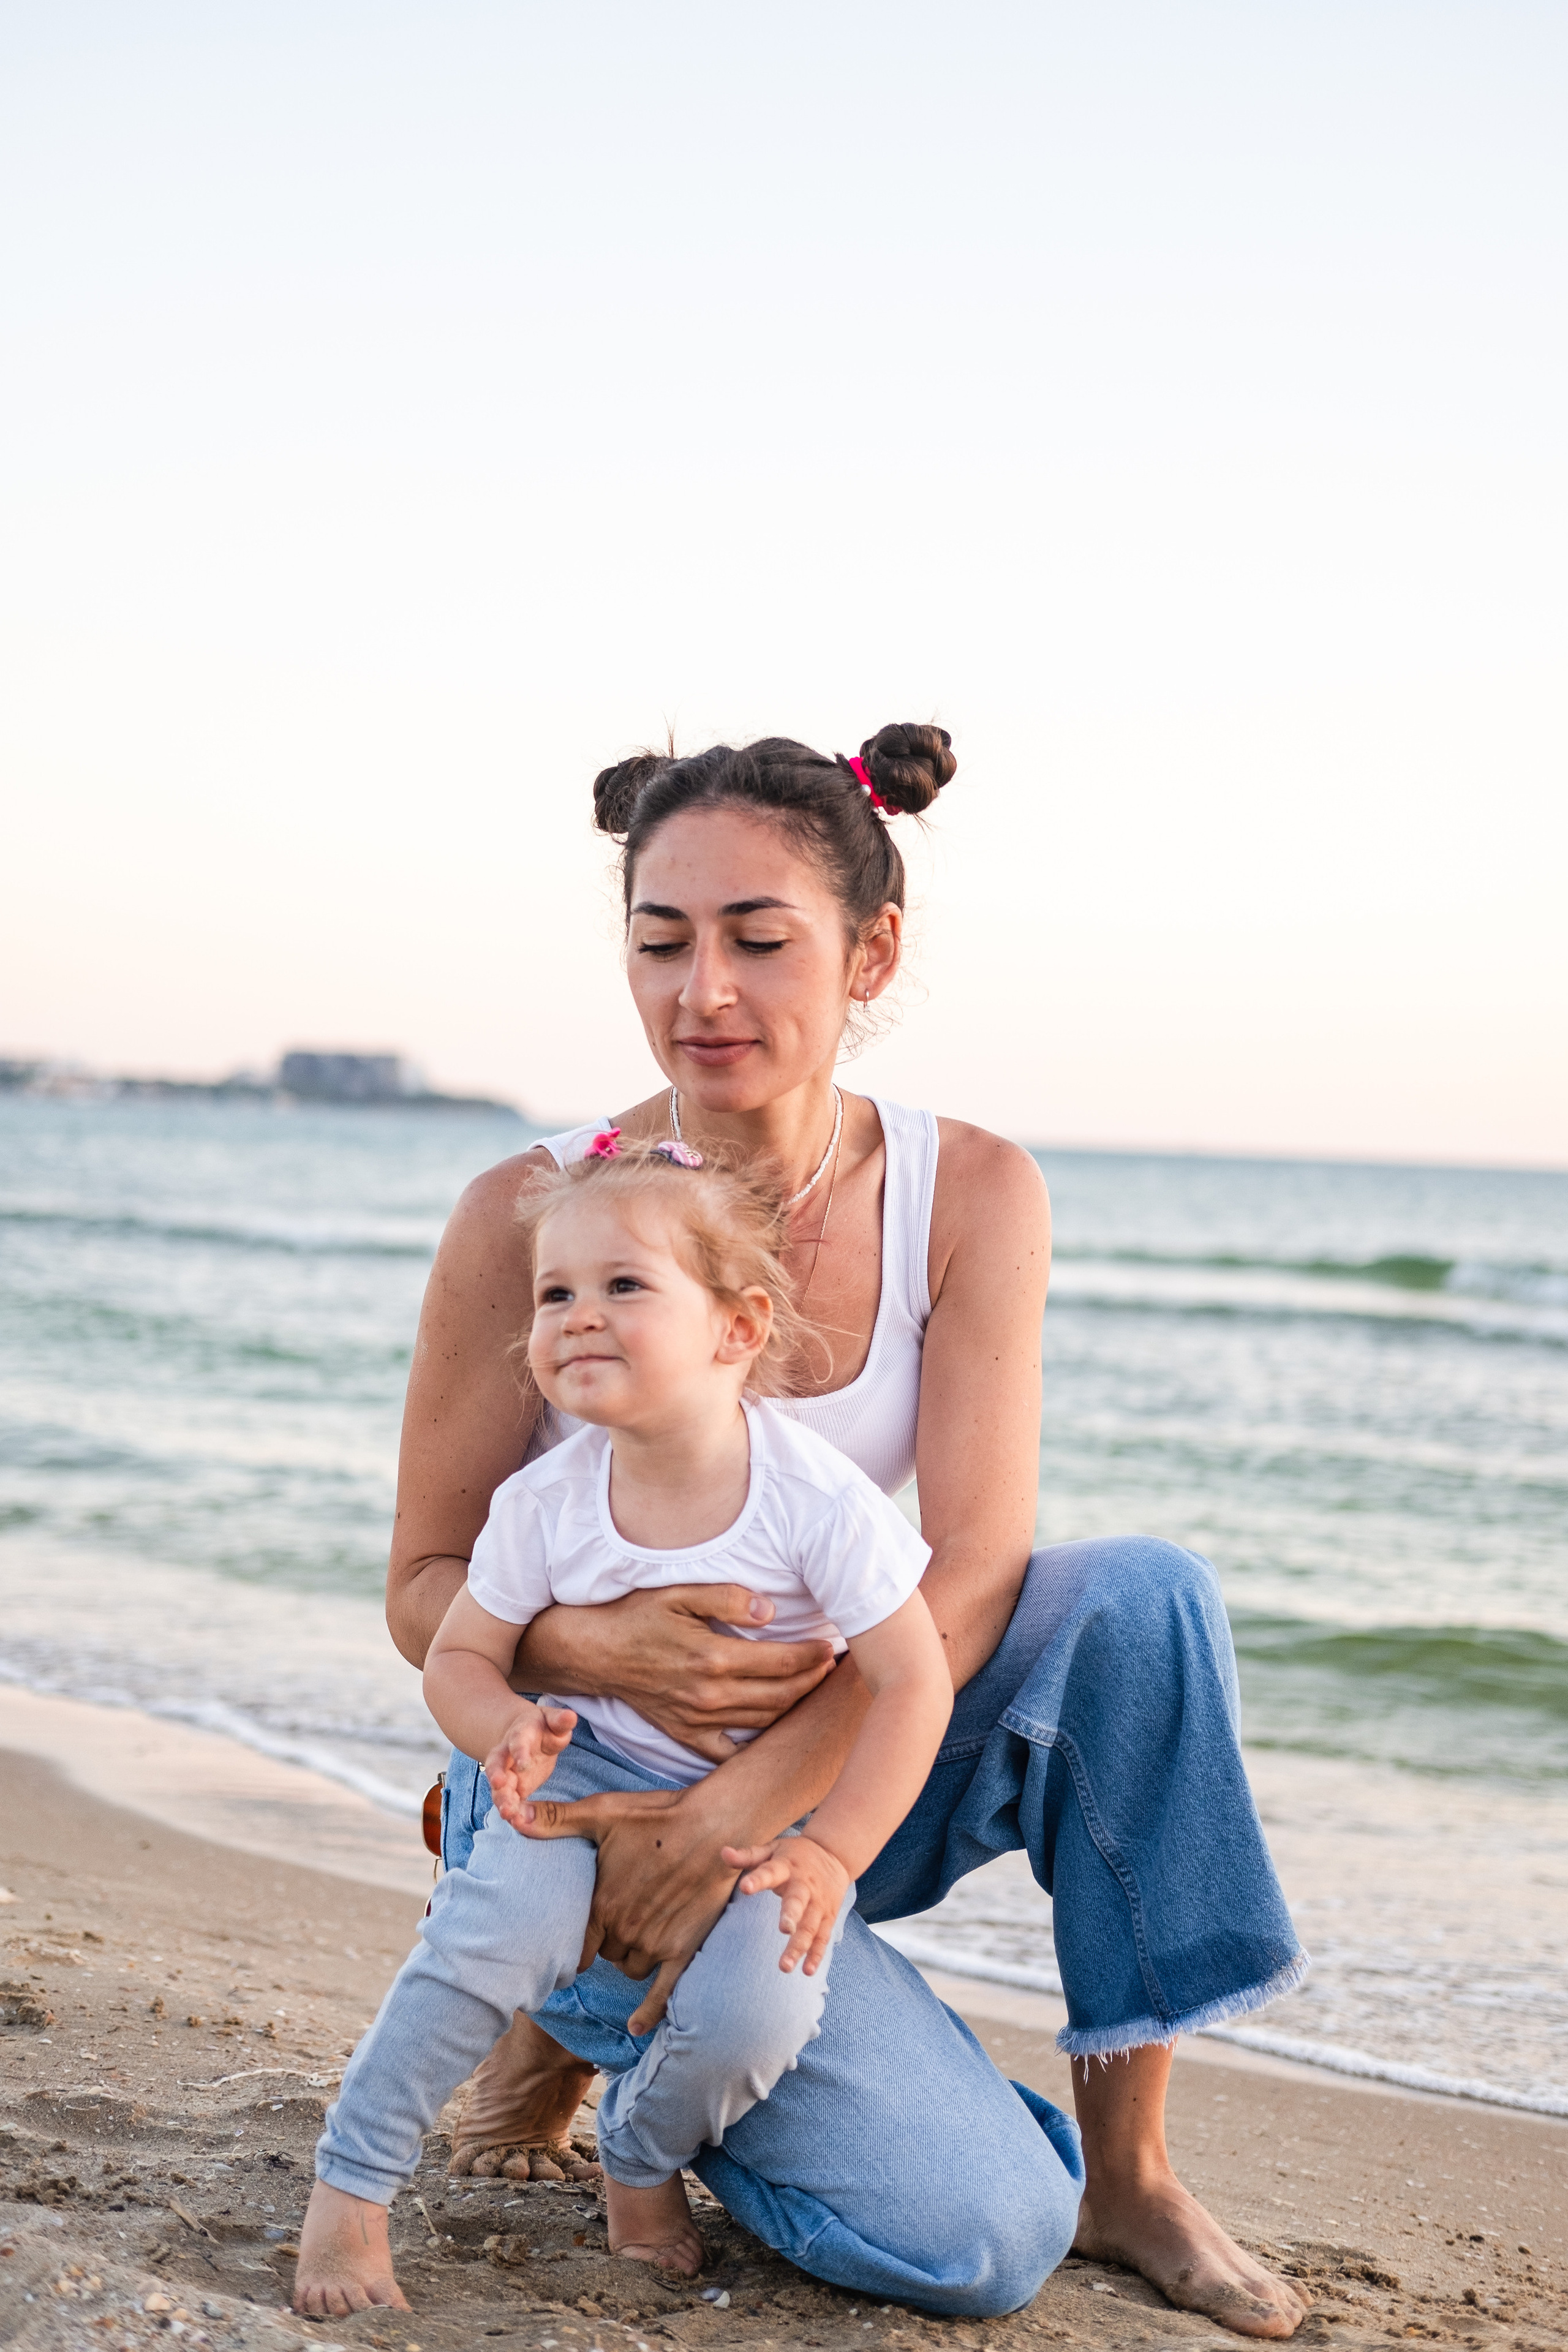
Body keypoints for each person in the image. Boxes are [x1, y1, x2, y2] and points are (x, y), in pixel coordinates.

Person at [385, 724, 1310, 2334]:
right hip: (593, 1793)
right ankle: (590, 2009)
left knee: (1142, 1601)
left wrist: (761, 1802)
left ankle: (1131, 2170)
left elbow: (975, 1571)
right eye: (661, 940)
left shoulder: (971, 1193)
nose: (705, 990)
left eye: (760, 939)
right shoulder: (529, 1214)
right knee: (971, 2245)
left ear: (871, 951)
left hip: (838, 1767)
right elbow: (420, 1587)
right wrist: (582, 1644)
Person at [296, 1140, 975, 2315]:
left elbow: (916, 1681)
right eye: (554, 1292)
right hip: (575, 1777)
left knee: (754, 2020)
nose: (576, 1316)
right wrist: (504, 1724)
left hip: (761, 1813)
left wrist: (831, 1852)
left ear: (737, 1327)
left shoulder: (815, 1502)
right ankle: (351, 2190)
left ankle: (641, 2152)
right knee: (492, 1936)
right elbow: (458, 1653)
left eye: (624, 1286)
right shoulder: (544, 1504)